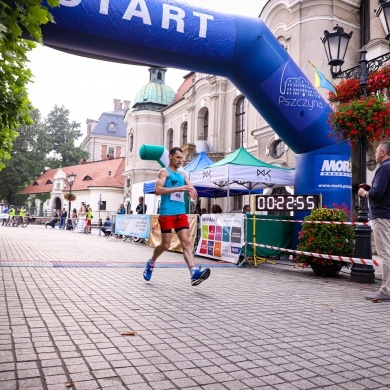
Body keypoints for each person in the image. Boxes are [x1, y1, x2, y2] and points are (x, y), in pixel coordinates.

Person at [143, 147, 210, 286]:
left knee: (186, 242)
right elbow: (157, 190)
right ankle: (151, 262)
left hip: (180, 213)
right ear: (170, 156)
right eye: (178, 157)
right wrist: (179, 188)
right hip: (167, 213)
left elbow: (190, 186)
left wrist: (192, 189)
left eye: (182, 158)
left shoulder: (183, 173)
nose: (181, 160)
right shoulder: (164, 172)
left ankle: (193, 273)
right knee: (165, 244)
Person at [358, 141, 390, 301]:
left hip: (382, 216)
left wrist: (364, 192)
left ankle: (386, 291)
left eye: (377, 151)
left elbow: (377, 194)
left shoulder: (384, 168)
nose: (375, 154)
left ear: (383, 152)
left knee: (385, 254)